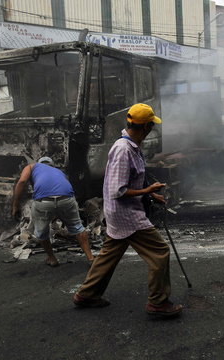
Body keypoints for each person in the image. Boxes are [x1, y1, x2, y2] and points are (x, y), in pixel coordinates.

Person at [74, 103, 183, 317]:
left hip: (119, 212)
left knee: (109, 254)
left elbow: (130, 182)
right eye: (151, 125)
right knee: (160, 252)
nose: (152, 129)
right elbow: (118, 190)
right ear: (146, 127)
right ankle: (158, 302)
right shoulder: (124, 150)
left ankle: (86, 294)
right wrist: (148, 189)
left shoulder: (132, 146)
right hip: (126, 214)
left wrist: (150, 194)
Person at [12, 156, 95, 267]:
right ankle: (91, 258)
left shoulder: (32, 166)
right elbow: (59, 191)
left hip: (43, 201)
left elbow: (22, 182)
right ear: (52, 165)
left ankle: (52, 258)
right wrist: (57, 213)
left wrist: (15, 206)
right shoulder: (58, 171)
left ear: (39, 163)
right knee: (77, 227)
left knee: (41, 232)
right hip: (67, 199)